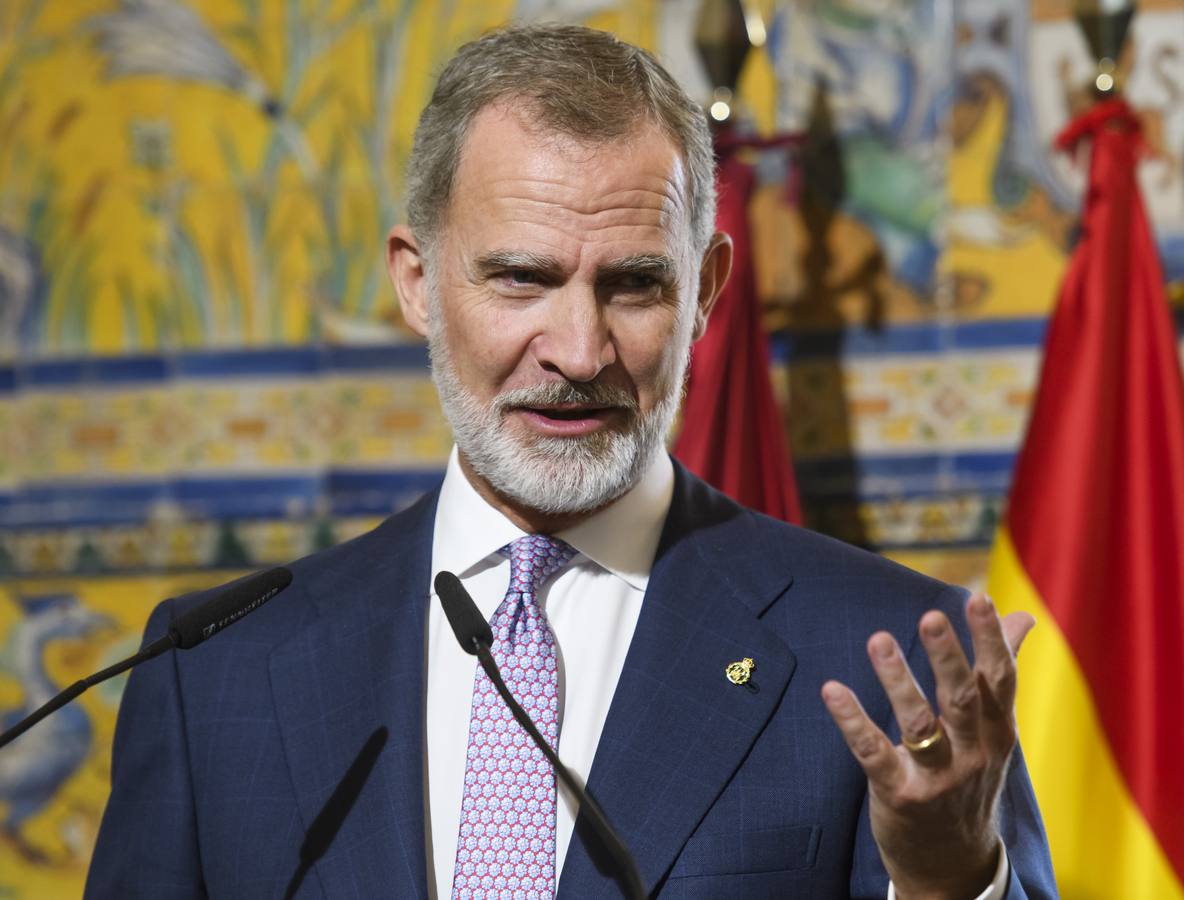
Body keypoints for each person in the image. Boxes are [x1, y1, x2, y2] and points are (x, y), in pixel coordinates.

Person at [87, 24, 1055, 900]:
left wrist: (945, 882)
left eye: (634, 285)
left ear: (705, 292)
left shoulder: (880, 661)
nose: (580, 352)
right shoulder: (215, 671)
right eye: (522, 278)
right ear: (418, 284)